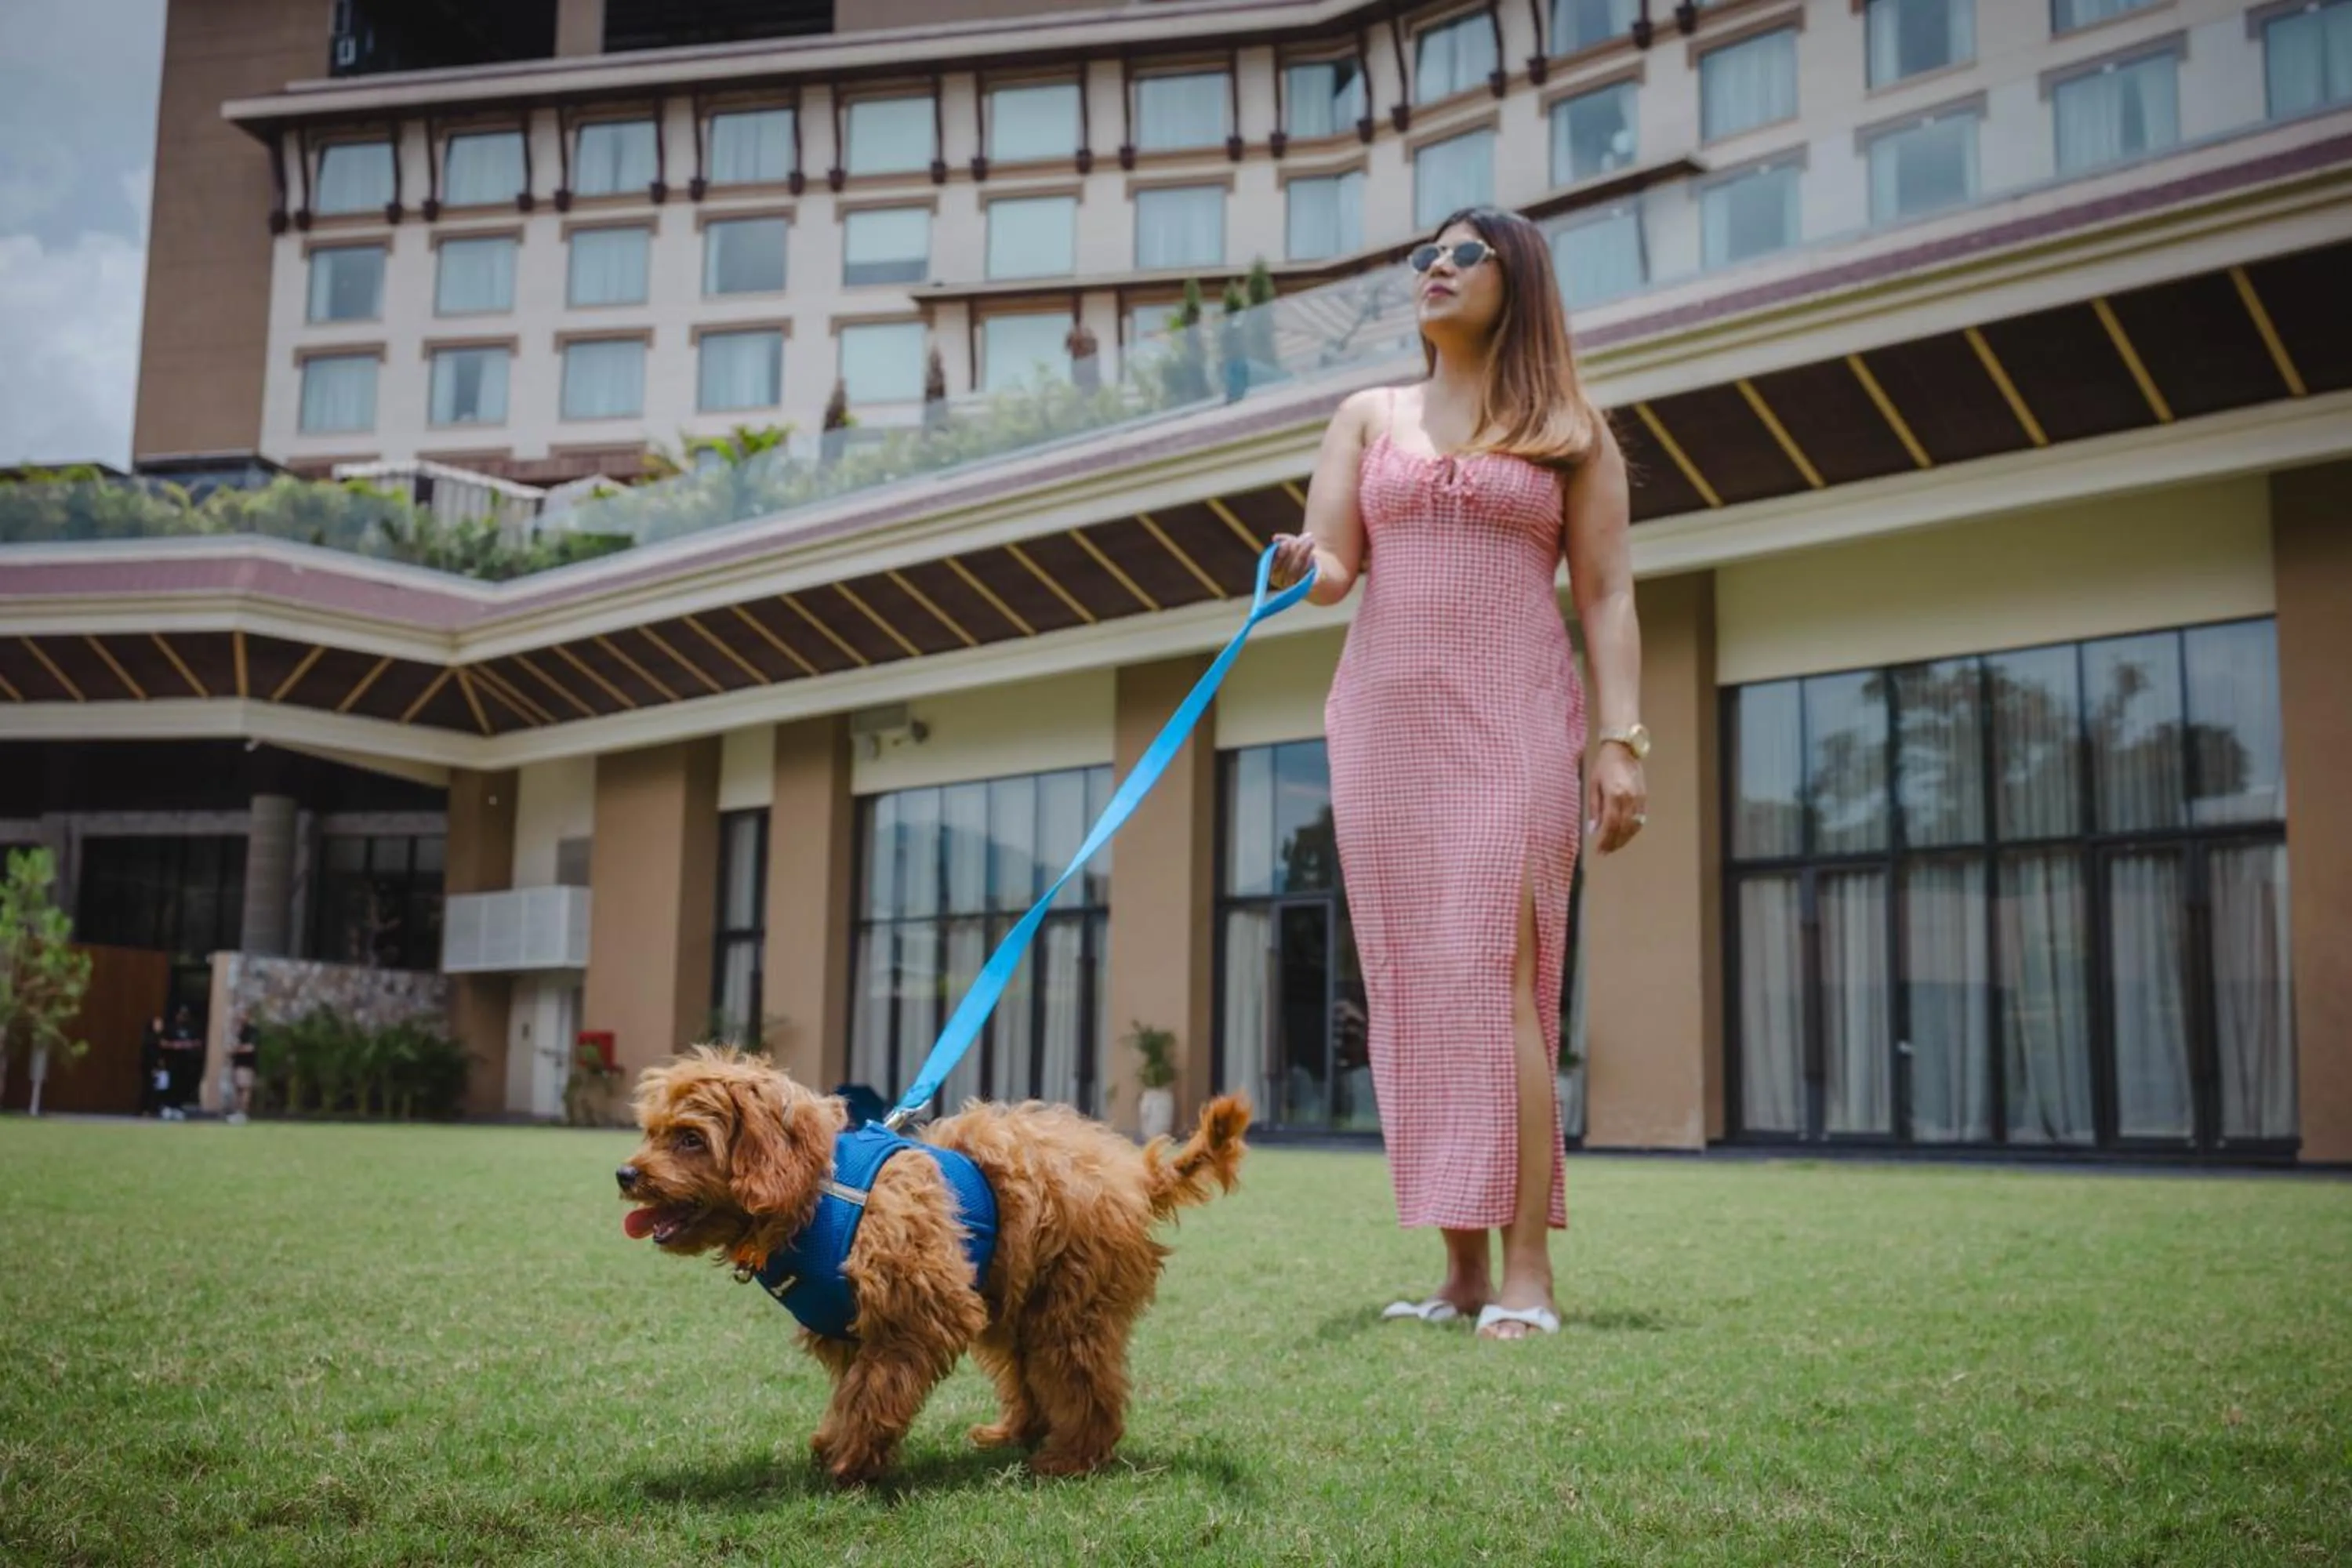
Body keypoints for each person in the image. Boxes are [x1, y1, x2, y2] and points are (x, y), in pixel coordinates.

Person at [1269, 207, 1646, 1341]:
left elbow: (1608, 594)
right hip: (1384, 730)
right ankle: (1462, 1270)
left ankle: (1528, 1271)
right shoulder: (1366, 415)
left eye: (1464, 253)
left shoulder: (1570, 428)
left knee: (1498, 976)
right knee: (1417, 986)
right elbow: (1336, 568)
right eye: (1425, 254)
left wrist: (1619, 740)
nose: (1435, 265)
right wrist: (1300, 563)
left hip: (1514, 722)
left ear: (1516, 279)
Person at [227, 1022, 259, 1125]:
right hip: (237, 1064)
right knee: (237, 1089)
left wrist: (236, 1049)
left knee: (245, 1088)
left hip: (247, 1065)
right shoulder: (235, 1032)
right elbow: (229, 1048)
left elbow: (250, 1048)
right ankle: (237, 1113)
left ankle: (242, 1113)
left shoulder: (252, 1031)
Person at [138, 1014, 169, 1118]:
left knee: (158, 1089)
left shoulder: (161, 1037)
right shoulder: (150, 1039)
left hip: (159, 1067)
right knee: (148, 1088)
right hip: (150, 1067)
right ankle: (145, 1109)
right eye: (158, 1024)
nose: (160, 1026)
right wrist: (153, 1067)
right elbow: (149, 1054)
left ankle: (154, 1108)